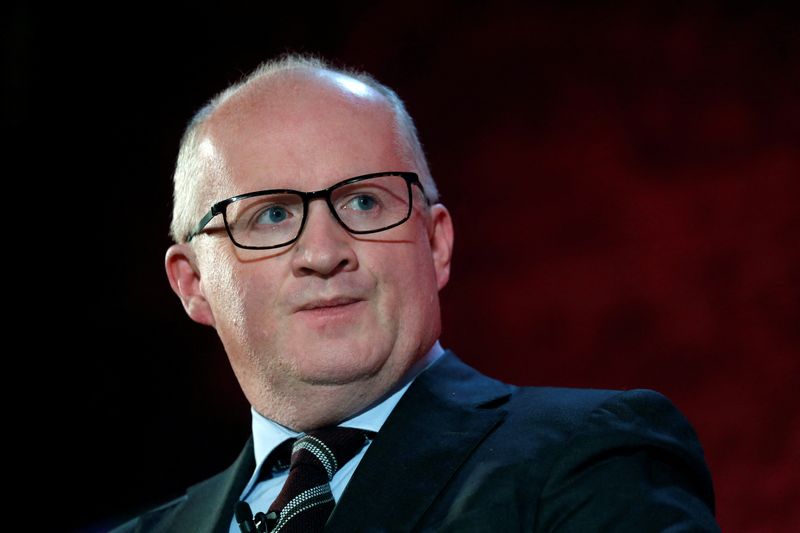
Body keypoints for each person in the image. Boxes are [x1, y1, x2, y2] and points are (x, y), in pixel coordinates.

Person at [112, 54, 720, 532]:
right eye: (270, 216)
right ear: (192, 285)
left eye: (364, 202)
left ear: (436, 245)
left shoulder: (591, 460)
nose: (324, 253)